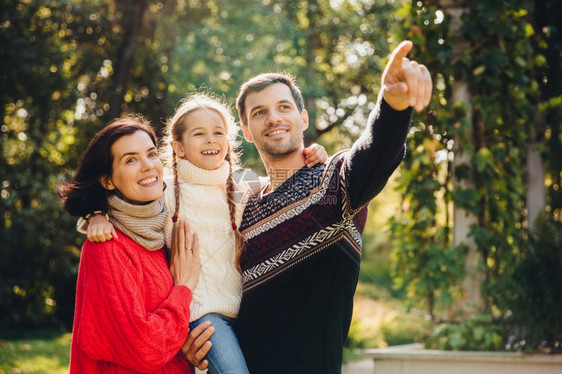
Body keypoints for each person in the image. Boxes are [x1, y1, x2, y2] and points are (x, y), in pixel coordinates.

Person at [183, 40, 432, 373]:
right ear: (246, 131)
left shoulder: (334, 183)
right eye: (259, 113)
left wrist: (392, 106)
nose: (273, 118)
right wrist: (193, 338)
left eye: (283, 107)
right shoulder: (241, 207)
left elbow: (374, 155)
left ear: (302, 118)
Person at [83, 94, 328, 373]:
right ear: (179, 148)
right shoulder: (166, 189)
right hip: (202, 314)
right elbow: (127, 208)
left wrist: (316, 155)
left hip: (244, 308)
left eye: (218, 133)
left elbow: (284, 180)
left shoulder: (241, 182)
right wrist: (96, 217)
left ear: (228, 141)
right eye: (199, 134)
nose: (211, 140)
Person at [58, 116, 203, 373]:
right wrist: (184, 287)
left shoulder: (165, 229)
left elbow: (226, 187)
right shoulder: (105, 247)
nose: (148, 166)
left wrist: (299, 163)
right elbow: (145, 348)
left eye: (152, 154)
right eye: (130, 160)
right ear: (108, 181)